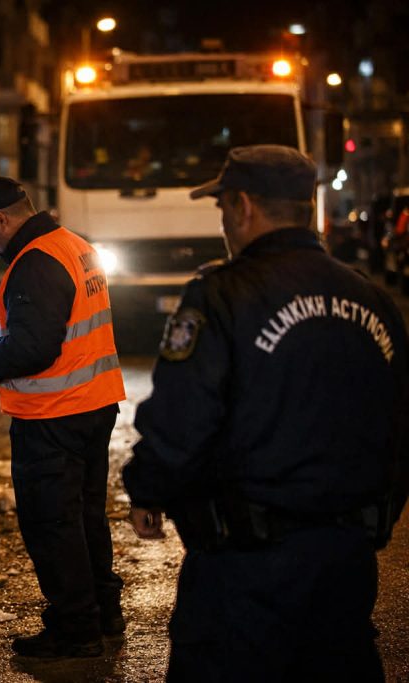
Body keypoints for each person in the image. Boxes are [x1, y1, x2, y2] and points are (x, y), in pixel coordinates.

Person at [122, 145, 409, 681]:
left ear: (245, 206)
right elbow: (400, 425)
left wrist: (148, 488)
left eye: (224, 209)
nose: (226, 223)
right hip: (346, 563)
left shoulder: (222, 295)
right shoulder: (373, 300)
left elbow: (182, 418)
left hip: (244, 569)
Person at [0, 176, 127, 658]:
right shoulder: (73, 245)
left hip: (54, 414)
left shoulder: (34, 264)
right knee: (87, 515)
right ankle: (103, 612)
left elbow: (33, 348)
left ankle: (76, 630)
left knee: (53, 523)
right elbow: (60, 322)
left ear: (2, 219)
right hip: (93, 405)